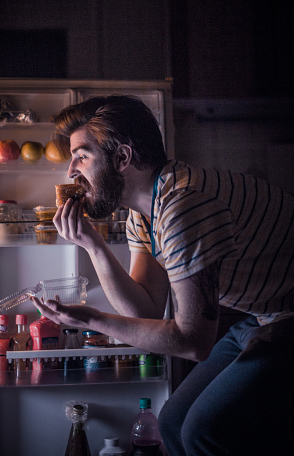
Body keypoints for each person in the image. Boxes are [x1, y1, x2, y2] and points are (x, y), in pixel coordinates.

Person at [31, 95, 294, 455]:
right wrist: (92, 245)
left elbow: (193, 342)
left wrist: (92, 317)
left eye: (82, 155)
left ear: (122, 158)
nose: (71, 171)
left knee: (204, 430)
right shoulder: (144, 210)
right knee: (172, 422)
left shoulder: (184, 206)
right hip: (260, 316)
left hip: (287, 316)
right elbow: (146, 311)